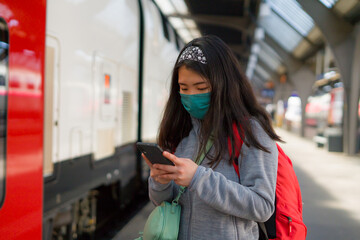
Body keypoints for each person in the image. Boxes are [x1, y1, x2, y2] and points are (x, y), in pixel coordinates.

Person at [142, 35, 282, 240]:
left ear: (223, 84)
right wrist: (160, 183)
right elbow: (163, 203)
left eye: (201, 88)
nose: (191, 95)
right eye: (183, 88)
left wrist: (199, 178)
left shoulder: (250, 131)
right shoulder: (179, 131)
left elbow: (262, 205)